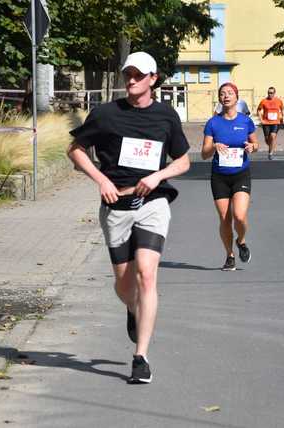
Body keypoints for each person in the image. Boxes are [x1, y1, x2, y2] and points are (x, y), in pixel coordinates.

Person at [67, 52, 190, 384]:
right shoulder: (106, 114)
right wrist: (101, 179)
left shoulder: (166, 116)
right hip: (116, 206)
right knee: (124, 284)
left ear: (153, 78)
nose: (131, 80)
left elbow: (183, 162)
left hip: (153, 202)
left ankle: (141, 356)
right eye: (128, 75)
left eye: (138, 75)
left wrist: (157, 176)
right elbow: (75, 149)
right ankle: (132, 308)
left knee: (147, 275)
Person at [201, 82, 258, 271]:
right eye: (222, 93)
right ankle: (229, 256)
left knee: (239, 216)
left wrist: (252, 147)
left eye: (230, 93)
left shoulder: (245, 121)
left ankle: (241, 241)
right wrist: (214, 146)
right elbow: (204, 153)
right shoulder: (213, 123)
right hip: (220, 176)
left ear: (236, 97)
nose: (226, 96)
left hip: (241, 174)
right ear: (219, 98)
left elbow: (256, 144)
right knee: (225, 219)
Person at [257, 87, 284, 160]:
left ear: (274, 93)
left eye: (271, 93)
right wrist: (261, 120)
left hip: (276, 122)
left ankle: (270, 153)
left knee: (273, 136)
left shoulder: (279, 101)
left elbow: (282, 109)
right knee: (267, 140)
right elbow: (259, 110)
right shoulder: (263, 101)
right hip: (266, 122)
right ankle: (271, 146)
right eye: (269, 93)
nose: (270, 94)